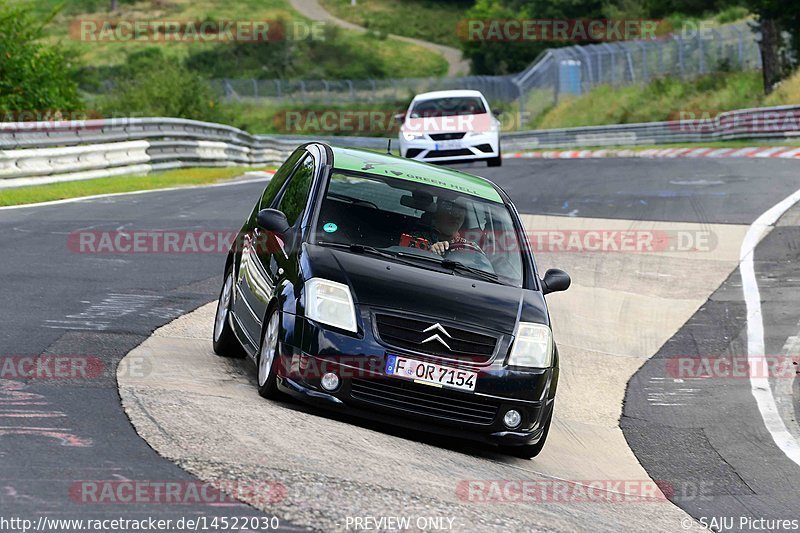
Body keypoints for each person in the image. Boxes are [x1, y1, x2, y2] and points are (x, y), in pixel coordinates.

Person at [402, 197, 479, 256]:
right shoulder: (416, 238)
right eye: (449, 209)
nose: (456, 216)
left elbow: (483, 268)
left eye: (461, 210)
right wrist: (429, 253)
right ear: (436, 213)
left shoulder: (470, 247)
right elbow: (404, 263)